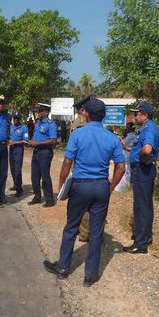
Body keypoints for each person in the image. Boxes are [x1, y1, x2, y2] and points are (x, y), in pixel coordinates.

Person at [43, 97, 125, 287]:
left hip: (80, 185)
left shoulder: (78, 135)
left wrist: (62, 184)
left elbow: (67, 162)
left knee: (72, 226)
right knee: (96, 232)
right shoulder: (112, 138)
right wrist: (110, 187)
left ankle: (63, 267)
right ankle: (90, 275)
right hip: (101, 186)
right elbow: (120, 167)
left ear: (86, 113)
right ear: (103, 116)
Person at [122, 101, 159, 254]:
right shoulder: (145, 128)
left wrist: (141, 156)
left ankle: (140, 243)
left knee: (141, 206)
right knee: (146, 205)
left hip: (143, 171)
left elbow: (147, 149)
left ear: (145, 115)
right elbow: (140, 148)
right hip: (144, 171)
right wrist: (127, 148)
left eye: (137, 114)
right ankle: (145, 235)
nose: (134, 116)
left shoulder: (149, 130)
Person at [27, 103, 58, 207]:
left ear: (46, 112)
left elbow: (53, 141)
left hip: (45, 153)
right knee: (34, 176)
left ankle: (49, 200)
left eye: (40, 111)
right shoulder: (37, 123)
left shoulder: (51, 124)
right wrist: (32, 142)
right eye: (37, 111)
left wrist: (38, 143)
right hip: (36, 152)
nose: (38, 113)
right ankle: (37, 197)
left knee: (45, 176)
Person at [70, 95, 92, 242]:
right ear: (83, 110)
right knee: (86, 204)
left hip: (82, 166)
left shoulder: (80, 123)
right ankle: (86, 232)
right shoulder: (81, 123)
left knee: (82, 201)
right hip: (85, 165)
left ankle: (84, 231)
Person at [9, 111, 29, 197]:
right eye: (14, 118)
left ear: (20, 119)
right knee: (12, 168)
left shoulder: (24, 128)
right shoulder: (10, 127)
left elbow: (26, 140)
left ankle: (19, 190)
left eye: (17, 118)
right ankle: (15, 184)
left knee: (17, 169)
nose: (15, 120)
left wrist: (15, 142)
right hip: (11, 149)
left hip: (18, 149)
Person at [115, 122, 137, 191]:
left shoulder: (131, 135)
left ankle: (124, 187)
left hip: (128, 156)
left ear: (131, 128)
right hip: (126, 156)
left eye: (127, 127)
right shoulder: (129, 135)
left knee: (127, 171)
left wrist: (119, 138)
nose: (125, 128)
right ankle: (124, 186)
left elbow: (123, 143)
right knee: (126, 171)